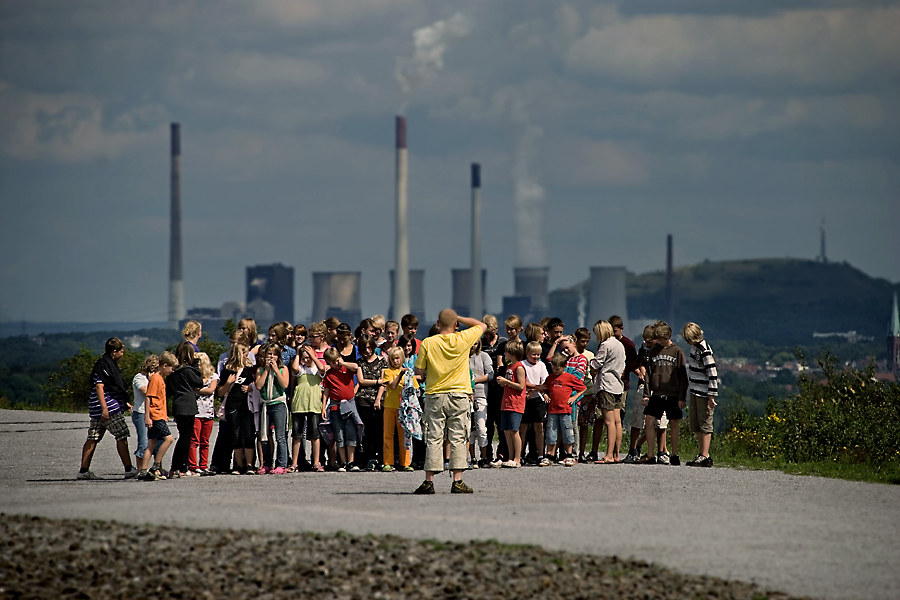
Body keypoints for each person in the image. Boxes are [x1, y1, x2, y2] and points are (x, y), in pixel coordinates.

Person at [412, 309, 486, 494]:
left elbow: (419, 371)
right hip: (459, 394)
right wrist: (458, 318)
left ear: (437, 323)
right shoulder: (463, 338)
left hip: (435, 395)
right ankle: (457, 481)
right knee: (458, 437)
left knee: (433, 437)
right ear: (455, 325)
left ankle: (429, 481)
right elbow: (482, 325)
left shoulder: (428, 342)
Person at [78, 338, 137, 480]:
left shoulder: (105, 364)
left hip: (97, 407)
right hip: (108, 407)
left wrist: (124, 402)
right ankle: (129, 468)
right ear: (114, 351)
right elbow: (100, 386)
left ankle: (83, 470)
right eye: (121, 351)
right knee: (121, 435)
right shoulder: (104, 366)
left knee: (93, 437)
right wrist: (105, 408)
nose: (122, 354)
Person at [642, 322, 688, 465]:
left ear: (667, 336)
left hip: (673, 394)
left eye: (661, 339)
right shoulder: (654, 351)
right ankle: (650, 454)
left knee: (673, 422)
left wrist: (682, 397)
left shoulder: (677, 351)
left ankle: (674, 454)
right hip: (656, 392)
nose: (659, 342)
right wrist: (646, 394)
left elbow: (683, 376)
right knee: (649, 419)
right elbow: (648, 374)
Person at [218, 343, 258, 474]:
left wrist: (250, 387)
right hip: (232, 406)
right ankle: (239, 465)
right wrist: (228, 383)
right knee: (235, 435)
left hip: (246, 407)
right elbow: (220, 392)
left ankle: (250, 465)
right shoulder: (226, 371)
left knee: (248, 435)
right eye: (244, 354)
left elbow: (256, 385)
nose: (247, 357)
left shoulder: (248, 371)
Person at [682, 322, 718, 467]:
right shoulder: (694, 348)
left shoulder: (704, 350)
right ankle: (702, 452)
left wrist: (711, 395)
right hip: (694, 391)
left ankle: (705, 455)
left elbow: (712, 373)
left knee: (705, 423)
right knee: (695, 424)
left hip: (704, 393)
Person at [590, 320, 626, 463]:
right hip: (618, 385)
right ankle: (616, 454)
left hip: (606, 385)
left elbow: (596, 363)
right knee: (617, 422)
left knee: (609, 422)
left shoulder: (605, 345)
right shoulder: (619, 344)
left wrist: (590, 363)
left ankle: (609, 455)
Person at [167, 342, 204, 478]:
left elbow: (169, 390)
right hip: (188, 405)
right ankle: (181, 466)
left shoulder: (173, 372)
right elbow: (199, 382)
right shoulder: (188, 370)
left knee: (183, 436)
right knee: (186, 438)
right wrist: (195, 364)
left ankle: (177, 466)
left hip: (177, 405)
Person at [139, 351, 178, 480]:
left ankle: (143, 470)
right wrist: (147, 416)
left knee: (152, 443)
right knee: (169, 439)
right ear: (165, 365)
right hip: (155, 415)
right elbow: (149, 397)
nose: (172, 371)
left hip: (159, 414)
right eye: (171, 368)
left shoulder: (160, 378)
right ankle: (156, 466)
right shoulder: (156, 378)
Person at [321, 347, 361, 471]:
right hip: (335, 406)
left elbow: (356, 367)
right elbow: (326, 391)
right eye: (332, 363)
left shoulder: (346, 368)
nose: (335, 365)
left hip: (349, 405)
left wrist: (342, 363)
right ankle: (343, 462)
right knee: (339, 434)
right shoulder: (329, 375)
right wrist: (323, 407)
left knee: (351, 432)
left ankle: (351, 461)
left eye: (336, 361)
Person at [544, 353, 586, 467]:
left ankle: (569, 455)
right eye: (553, 368)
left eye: (557, 369)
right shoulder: (550, 377)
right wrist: (545, 395)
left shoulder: (569, 377)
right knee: (551, 432)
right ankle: (550, 455)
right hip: (552, 410)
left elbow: (582, 388)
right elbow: (545, 388)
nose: (555, 371)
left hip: (565, 410)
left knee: (568, 432)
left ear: (564, 367)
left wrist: (574, 398)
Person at [290, 343, 326, 472]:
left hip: (314, 404)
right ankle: (294, 463)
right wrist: (298, 354)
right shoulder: (300, 368)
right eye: (304, 358)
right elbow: (294, 368)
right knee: (297, 434)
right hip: (299, 404)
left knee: (315, 435)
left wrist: (313, 356)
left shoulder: (317, 369)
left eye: (308, 357)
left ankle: (316, 462)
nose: (306, 360)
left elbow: (322, 368)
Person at [255, 342, 290, 474]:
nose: (271, 356)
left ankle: (282, 464)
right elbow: (258, 386)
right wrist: (266, 371)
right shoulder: (260, 370)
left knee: (280, 436)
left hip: (278, 404)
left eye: (274, 354)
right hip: (265, 405)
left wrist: (275, 370)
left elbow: (284, 385)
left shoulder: (283, 369)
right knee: (265, 436)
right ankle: (267, 463)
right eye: (269, 354)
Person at [354, 334, 386, 470]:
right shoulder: (359, 362)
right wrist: (378, 381)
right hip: (363, 400)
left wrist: (378, 398)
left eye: (369, 347)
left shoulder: (382, 361)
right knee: (366, 431)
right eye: (364, 348)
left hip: (379, 400)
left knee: (379, 430)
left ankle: (380, 458)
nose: (367, 351)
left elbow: (384, 383)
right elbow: (361, 381)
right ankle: (369, 458)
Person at [382, 346, 416, 472]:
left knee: (404, 436)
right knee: (388, 435)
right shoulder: (388, 372)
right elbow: (393, 385)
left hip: (403, 408)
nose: (394, 361)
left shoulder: (408, 372)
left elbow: (414, 389)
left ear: (401, 359)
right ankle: (387, 462)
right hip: (390, 406)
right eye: (392, 359)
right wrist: (401, 374)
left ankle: (405, 462)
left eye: (396, 358)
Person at [495, 339, 527, 468]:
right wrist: (503, 382)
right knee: (507, 431)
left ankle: (517, 458)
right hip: (506, 402)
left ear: (512, 353)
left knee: (514, 431)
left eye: (506, 352)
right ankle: (510, 457)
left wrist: (506, 382)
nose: (504, 354)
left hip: (515, 403)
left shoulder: (519, 367)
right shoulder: (509, 366)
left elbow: (521, 386)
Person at [188, 352, 218, 475]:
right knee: (194, 440)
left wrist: (198, 390)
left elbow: (211, 389)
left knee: (205, 441)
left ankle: (204, 465)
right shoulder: (193, 376)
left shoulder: (213, 376)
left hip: (208, 412)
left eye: (199, 364)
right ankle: (193, 465)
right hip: (196, 413)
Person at [521, 341, 549, 465]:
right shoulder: (522, 365)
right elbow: (522, 382)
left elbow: (545, 383)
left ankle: (540, 454)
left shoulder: (541, 365)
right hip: (525, 399)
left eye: (538, 355)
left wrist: (534, 389)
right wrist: (535, 388)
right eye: (533, 354)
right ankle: (520, 453)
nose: (536, 357)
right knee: (523, 428)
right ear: (527, 353)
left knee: (539, 428)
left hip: (538, 400)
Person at [468, 339, 494, 468]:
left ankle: (483, 457)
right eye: (472, 342)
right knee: (469, 429)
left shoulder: (484, 356)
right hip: (465, 395)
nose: (473, 345)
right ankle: (472, 457)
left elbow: (490, 374)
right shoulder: (461, 357)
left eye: (476, 343)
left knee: (481, 427)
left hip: (480, 394)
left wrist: (473, 380)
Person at [131, 354, 158, 470]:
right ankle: (140, 469)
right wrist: (152, 381)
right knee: (143, 442)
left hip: (154, 412)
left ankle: (156, 467)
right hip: (141, 412)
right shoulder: (139, 378)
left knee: (157, 441)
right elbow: (145, 391)